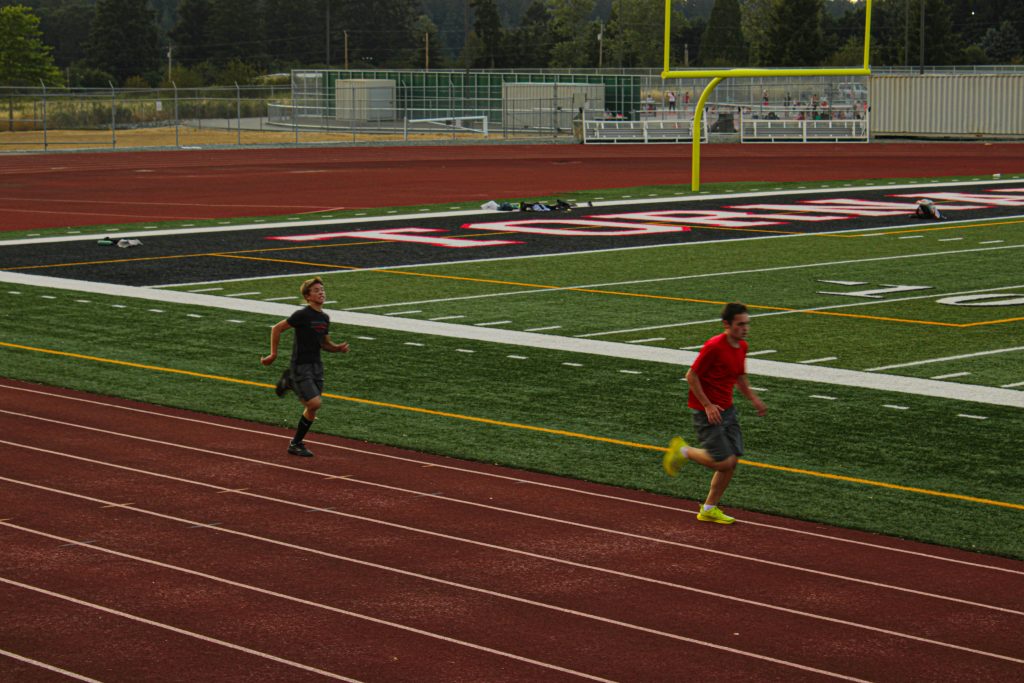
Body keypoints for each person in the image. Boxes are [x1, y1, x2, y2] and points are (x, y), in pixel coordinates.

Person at [663, 302, 767, 524]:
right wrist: (708, 405)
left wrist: (754, 399)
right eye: (740, 324)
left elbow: (740, 378)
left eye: (747, 324)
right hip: (706, 412)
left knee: (733, 460)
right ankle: (683, 451)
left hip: (728, 410)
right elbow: (691, 376)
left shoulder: (742, 347)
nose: (745, 328)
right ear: (726, 324)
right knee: (723, 462)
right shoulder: (714, 346)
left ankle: (709, 508)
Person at [261, 277, 349, 457]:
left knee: (313, 408)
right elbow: (276, 328)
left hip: (317, 366)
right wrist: (273, 354)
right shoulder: (302, 315)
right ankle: (290, 381)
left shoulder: (324, 318)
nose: (321, 292)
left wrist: (337, 348)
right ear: (308, 296)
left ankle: (296, 443)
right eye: (316, 290)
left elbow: (324, 344)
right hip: (300, 366)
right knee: (315, 402)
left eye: (322, 289)